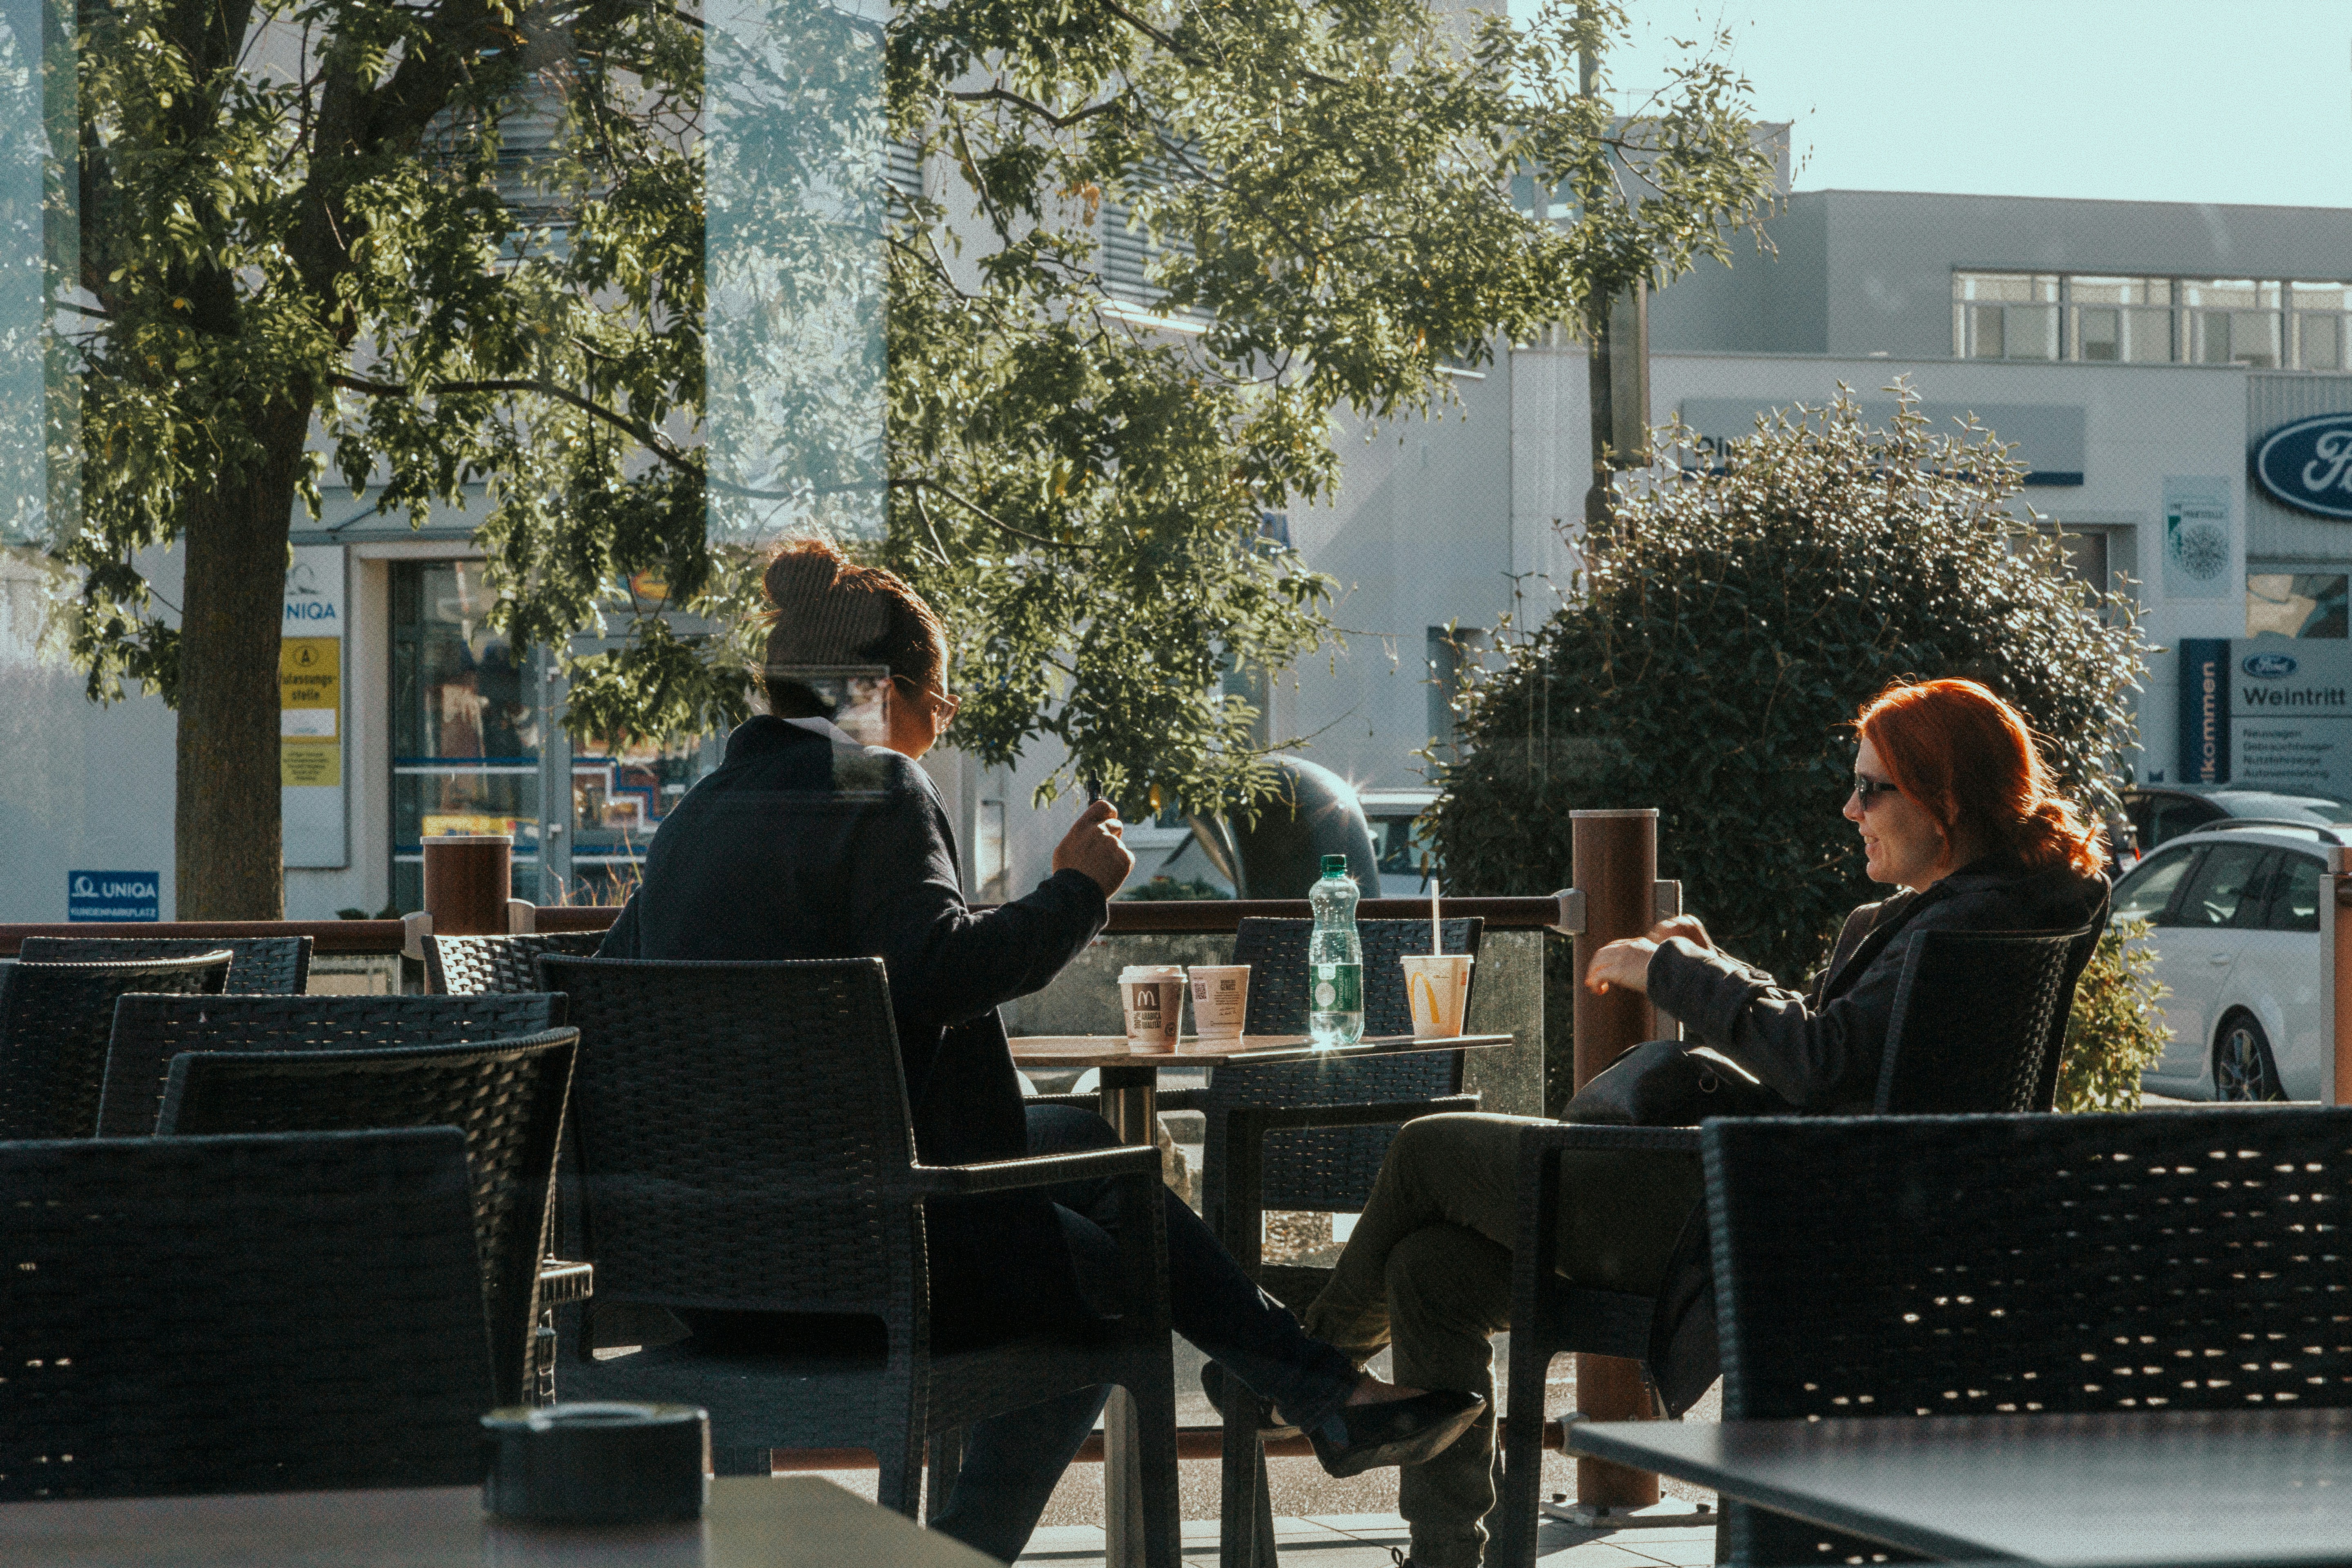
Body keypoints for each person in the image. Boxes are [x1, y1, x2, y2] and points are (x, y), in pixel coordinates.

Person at [596, 538, 1481, 1562]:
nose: (944, 723)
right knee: (1120, 1285)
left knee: (1111, 1160)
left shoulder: (693, 820)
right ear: (882, 692)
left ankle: (1326, 1394)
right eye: (943, 698)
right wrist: (1079, 890)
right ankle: (972, 1552)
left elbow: (614, 994)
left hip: (708, 1264)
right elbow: (938, 970)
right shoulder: (877, 786)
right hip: (873, 1261)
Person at [1295, 677, 2113, 1568]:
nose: (1850, 809)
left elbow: (1822, 1060)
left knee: (1427, 1149)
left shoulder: (1950, 925)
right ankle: (1445, 1555)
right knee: (1432, 1273)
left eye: (1871, 787)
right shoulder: (1992, 916)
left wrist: (1671, 972)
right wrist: (1714, 965)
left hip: (1757, 1219)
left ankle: (1305, 1382)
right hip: (1823, 1213)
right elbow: (1845, 1057)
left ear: (1944, 800)